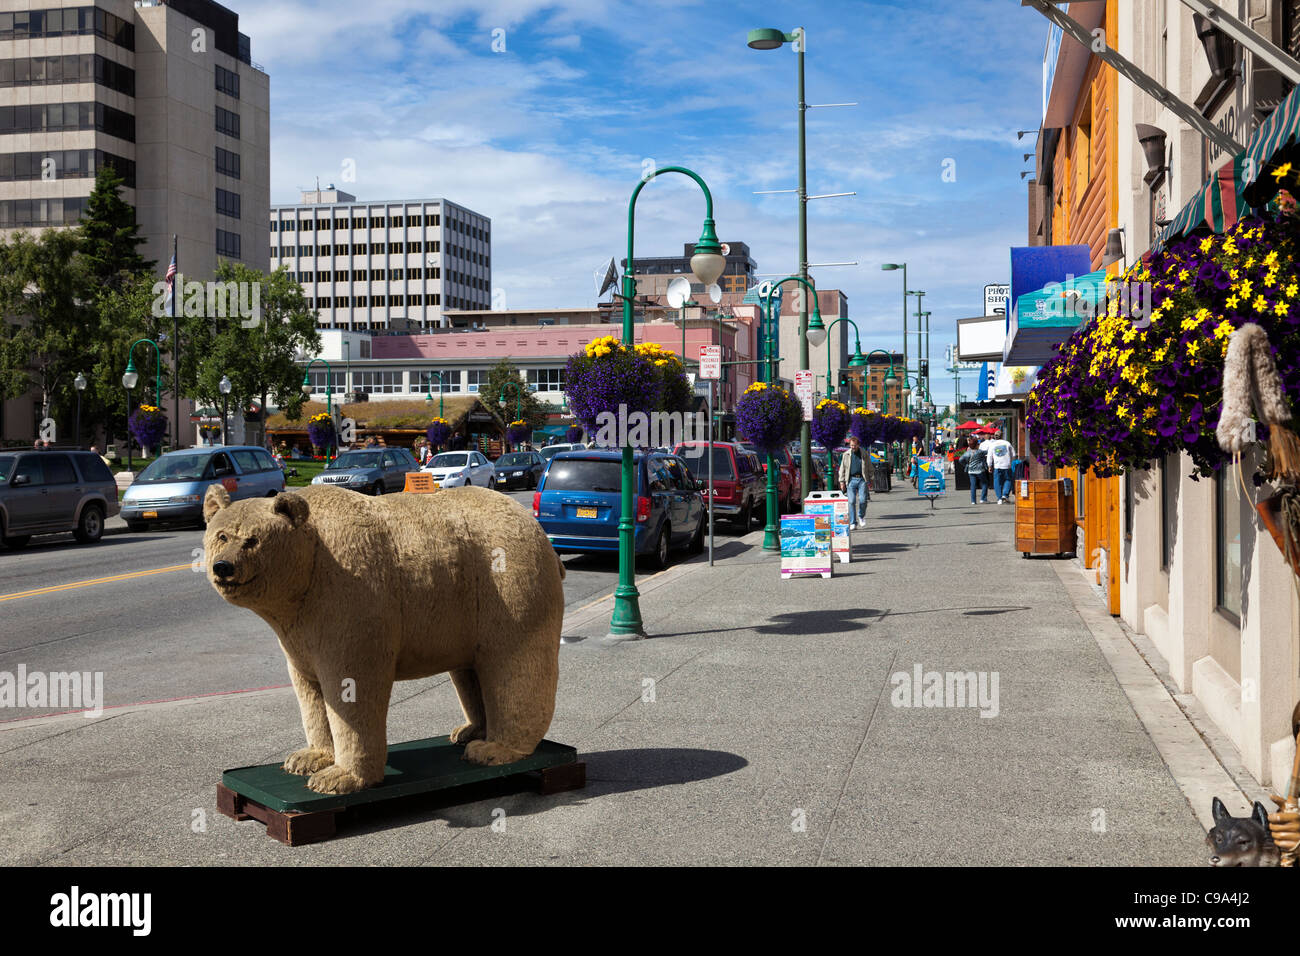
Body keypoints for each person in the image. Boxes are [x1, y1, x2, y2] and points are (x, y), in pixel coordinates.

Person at [838, 434, 874, 530]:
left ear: (858, 445)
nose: (853, 447)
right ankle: (853, 522)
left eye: (854, 445)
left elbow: (870, 467)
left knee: (863, 500)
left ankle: (861, 516)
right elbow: (842, 469)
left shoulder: (864, 454)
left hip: (862, 479)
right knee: (851, 501)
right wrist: (841, 481)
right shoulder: (846, 454)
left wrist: (871, 479)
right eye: (851, 445)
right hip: (851, 480)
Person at [985, 429, 1016, 504]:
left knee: (997, 482)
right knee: (1008, 480)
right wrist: (1011, 461)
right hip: (1007, 465)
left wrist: (989, 465)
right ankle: (1005, 495)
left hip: (997, 466)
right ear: (1002, 436)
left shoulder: (992, 445)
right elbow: (1014, 454)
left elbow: (989, 456)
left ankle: (999, 498)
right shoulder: (1007, 443)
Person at [959, 436, 989, 504]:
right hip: (980, 470)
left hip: (971, 471)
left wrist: (966, 464)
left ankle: (973, 501)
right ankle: (983, 499)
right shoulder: (980, 452)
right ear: (976, 445)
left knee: (973, 485)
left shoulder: (967, 453)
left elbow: (960, 459)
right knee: (984, 483)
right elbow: (987, 452)